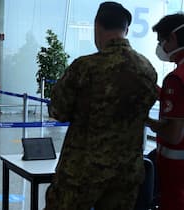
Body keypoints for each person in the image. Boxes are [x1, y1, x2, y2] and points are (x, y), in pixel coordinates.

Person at [44, 2, 158, 210]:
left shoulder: (85, 67)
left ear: (97, 26)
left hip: (82, 171)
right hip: (126, 173)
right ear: (127, 30)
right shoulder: (146, 69)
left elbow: (58, 111)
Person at [146, 14, 184, 210]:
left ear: (173, 38)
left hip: (176, 175)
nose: (161, 48)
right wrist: (162, 94)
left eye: (162, 41)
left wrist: (147, 121)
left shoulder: (176, 79)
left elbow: (174, 134)